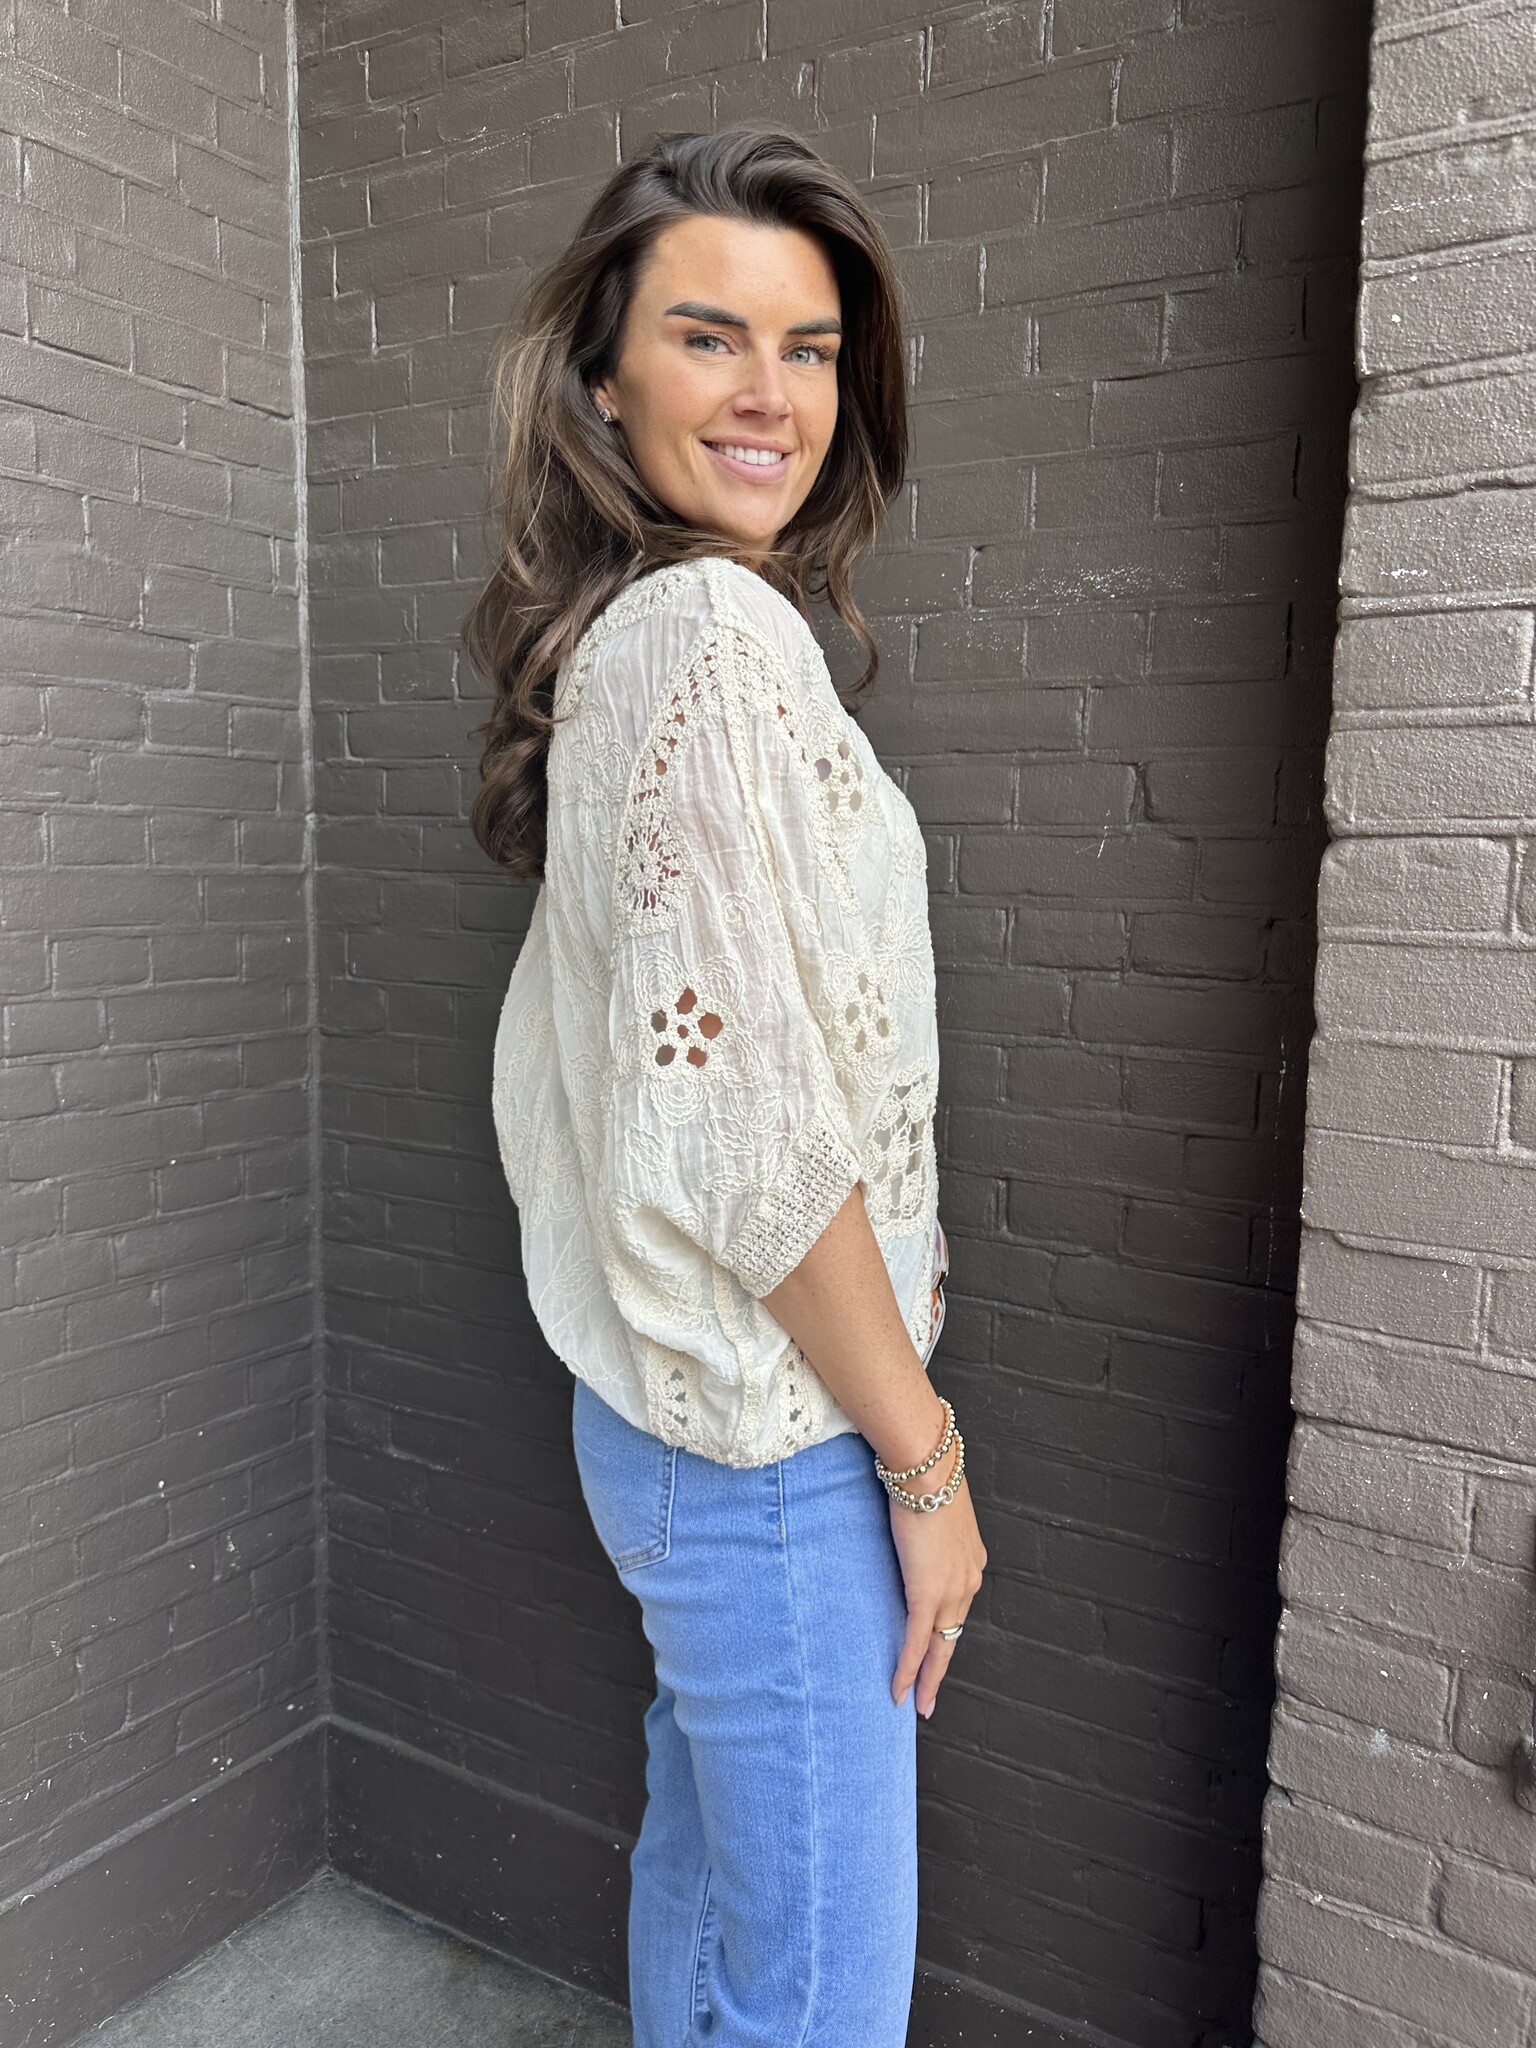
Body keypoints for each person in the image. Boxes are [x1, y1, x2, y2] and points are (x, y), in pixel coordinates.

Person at [464, 125, 988, 2048]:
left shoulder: (642, 639)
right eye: (709, 336)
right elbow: (754, 1145)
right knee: (823, 1988)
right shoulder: (704, 638)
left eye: (811, 348)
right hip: (778, 1450)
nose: (772, 393)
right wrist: (925, 1470)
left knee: (713, 1906)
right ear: (605, 379)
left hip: (679, 1426)